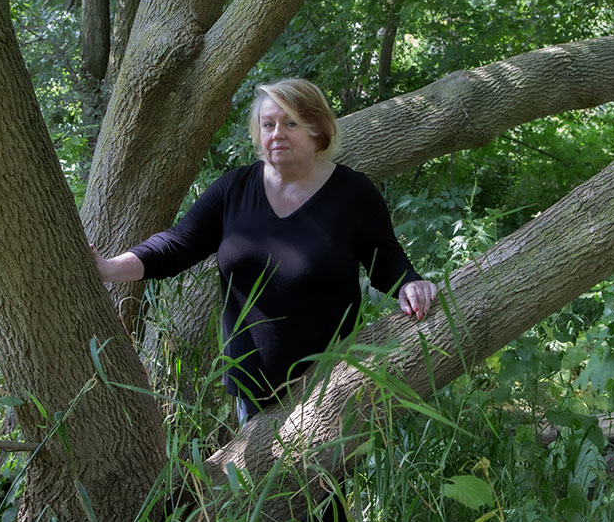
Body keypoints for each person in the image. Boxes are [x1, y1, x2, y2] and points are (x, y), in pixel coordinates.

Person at [91, 78, 437, 425]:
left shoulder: (353, 194)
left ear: (318, 130)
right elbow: (175, 246)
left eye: (290, 123)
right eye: (268, 124)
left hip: (331, 382)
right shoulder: (234, 189)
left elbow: (387, 261)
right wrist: (107, 268)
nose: (277, 134)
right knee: (259, 479)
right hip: (251, 390)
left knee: (328, 481)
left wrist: (411, 284)